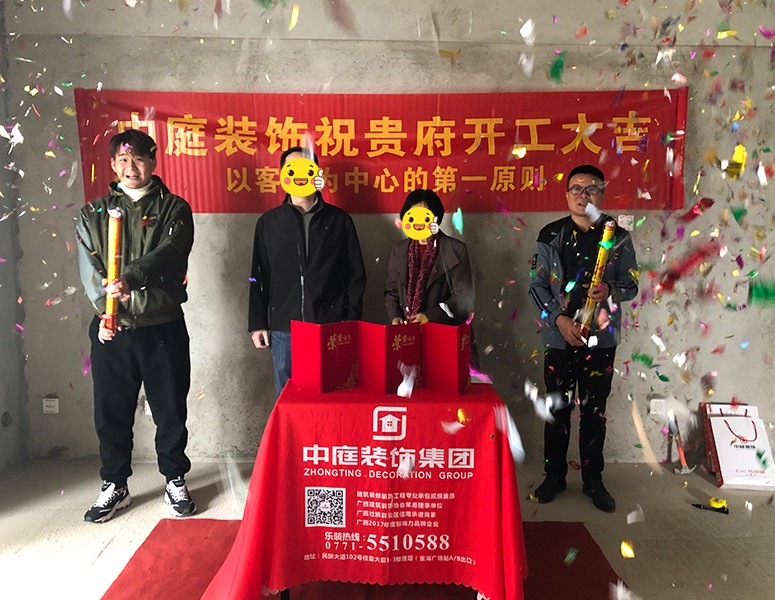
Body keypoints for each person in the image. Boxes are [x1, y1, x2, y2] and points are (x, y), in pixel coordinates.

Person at [76, 129, 196, 523]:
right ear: (113, 164)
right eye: (124, 160)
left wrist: (131, 280)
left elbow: (170, 256)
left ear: (153, 161)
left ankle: (175, 478)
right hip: (111, 330)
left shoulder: (174, 209)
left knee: (169, 408)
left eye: (140, 158)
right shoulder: (93, 214)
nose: (132, 167)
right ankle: (115, 484)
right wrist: (105, 312)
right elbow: (90, 269)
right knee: (111, 412)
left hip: (162, 326)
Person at [528, 164, 638, 513]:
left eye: (591, 189)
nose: (583, 195)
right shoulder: (550, 235)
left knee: (594, 411)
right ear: (567, 195)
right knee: (556, 409)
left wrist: (610, 289)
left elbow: (632, 285)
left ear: (602, 194)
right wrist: (559, 319)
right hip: (559, 337)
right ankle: (554, 476)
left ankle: (593, 480)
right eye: (576, 188)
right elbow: (537, 285)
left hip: (600, 339)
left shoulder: (618, 235)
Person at [249, 146, 367, 398]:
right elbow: (258, 275)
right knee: (288, 399)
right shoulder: (268, 222)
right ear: (283, 175)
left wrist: (349, 320)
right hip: (284, 330)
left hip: (329, 326)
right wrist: (258, 322)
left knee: (332, 398)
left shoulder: (339, 220)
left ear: (317, 174)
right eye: (293, 169)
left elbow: (355, 274)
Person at [385, 189, 474, 326]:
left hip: (443, 329)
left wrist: (430, 316)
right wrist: (395, 316)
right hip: (408, 330)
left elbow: (462, 297)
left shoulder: (456, 250)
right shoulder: (399, 249)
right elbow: (392, 292)